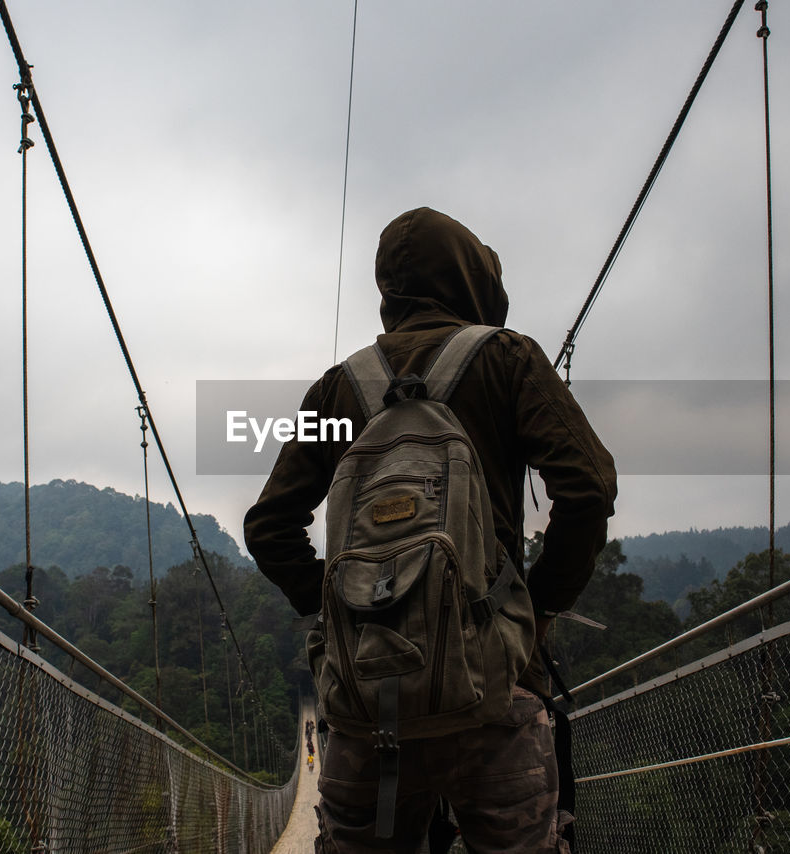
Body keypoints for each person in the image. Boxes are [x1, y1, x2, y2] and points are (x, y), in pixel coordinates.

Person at [244, 207, 616, 852]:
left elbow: (270, 525)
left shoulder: (335, 393)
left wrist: (341, 621)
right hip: (493, 695)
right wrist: (539, 610)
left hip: (367, 709)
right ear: (473, 279)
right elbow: (587, 487)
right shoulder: (507, 360)